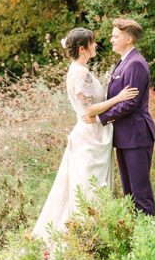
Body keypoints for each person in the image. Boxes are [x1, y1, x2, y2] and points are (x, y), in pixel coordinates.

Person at [32, 28, 139, 242]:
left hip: (96, 136)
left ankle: (91, 237)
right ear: (83, 49)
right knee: (89, 188)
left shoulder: (80, 69)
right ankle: (86, 239)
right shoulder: (80, 73)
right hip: (89, 138)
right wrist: (118, 98)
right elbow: (88, 110)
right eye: (93, 43)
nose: (97, 45)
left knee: (90, 187)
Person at [86, 18, 155, 216]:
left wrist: (101, 118)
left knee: (140, 192)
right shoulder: (123, 63)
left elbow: (130, 103)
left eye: (115, 36)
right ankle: (135, 236)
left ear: (128, 38)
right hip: (124, 136)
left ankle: (150, 238)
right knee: (129, 193)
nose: (111, 39)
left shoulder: (136, 64)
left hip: (137, 135)